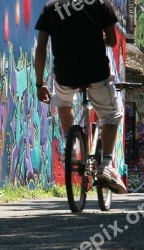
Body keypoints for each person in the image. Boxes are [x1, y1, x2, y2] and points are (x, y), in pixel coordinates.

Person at [34, 0, 128, 194]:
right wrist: (94, 38)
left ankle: (72, 147)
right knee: (111, 115)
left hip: (66, 75)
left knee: (62, 100)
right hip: (96, 74)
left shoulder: (51, 8)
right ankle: (107, 164)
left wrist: (39, 83)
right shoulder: (101, 4)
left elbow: (41, 47)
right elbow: (112, 41)